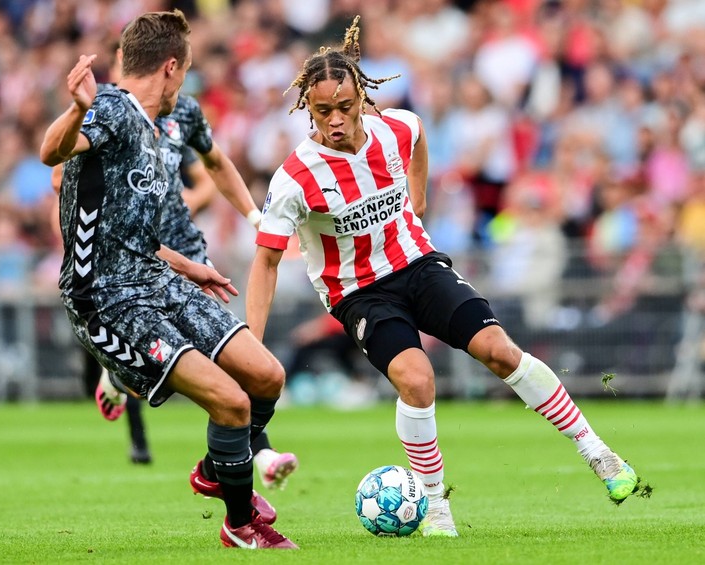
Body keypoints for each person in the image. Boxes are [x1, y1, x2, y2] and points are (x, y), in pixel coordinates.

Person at [246, 16, 641, 539]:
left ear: (362, 96)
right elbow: (267, 261)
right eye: (323, 112)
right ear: (308, 110)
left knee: (499, 349)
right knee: (416, 378)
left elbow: (419, 140)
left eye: (345, 107)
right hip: (360, 293)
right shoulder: (296, 177)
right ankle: (436, 511)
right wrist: (252, 344)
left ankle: (600, 454)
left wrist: (419, 196)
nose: (336, 121)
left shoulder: (398, 127)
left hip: (417, 262)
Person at [40, 10, 296, 549]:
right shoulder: (110, 107)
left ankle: (215, 468)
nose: (187, 83)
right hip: (106, 299)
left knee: (266, 375)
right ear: (171, 67)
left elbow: (129, 231)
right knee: (231, 402)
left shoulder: (161, 128)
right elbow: (51, 152)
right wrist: (77, 109)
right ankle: (240, 523)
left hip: (157, 275)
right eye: (187, 72)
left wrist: (189, 264)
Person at [85, 40, 300, 485]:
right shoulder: (111, 113)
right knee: (193, 365)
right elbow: (62, 172)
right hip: (132, 259)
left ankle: (250, 459)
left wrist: (254, 215)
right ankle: (249, 459)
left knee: (230, 359)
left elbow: (216, 163)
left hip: (185, 246)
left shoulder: (183, 113)